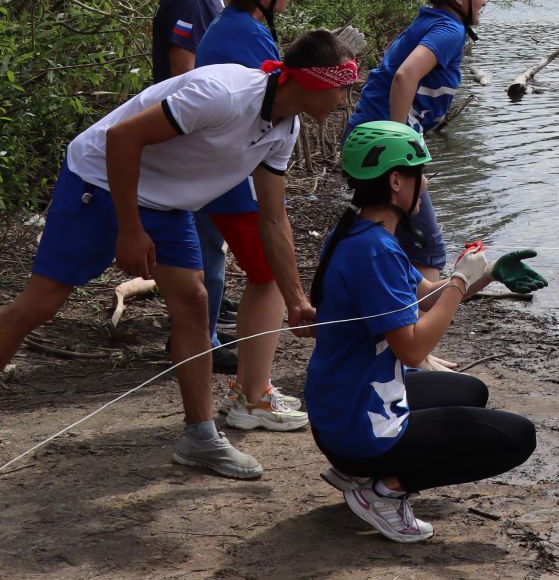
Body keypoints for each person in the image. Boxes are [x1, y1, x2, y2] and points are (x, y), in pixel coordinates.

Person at [0, 31, 353, 479]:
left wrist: (298, 299)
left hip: (165, 203)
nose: (345, 100)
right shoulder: (222, 94)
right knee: (40, 305)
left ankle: (200, 437)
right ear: (309, 82)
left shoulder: (285, 126)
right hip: (99, 180)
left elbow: (273, 218)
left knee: (193, 301)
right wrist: (130, 229)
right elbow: (122, 138)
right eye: (341, 87)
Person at [305, 122, 537, 542]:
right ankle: (383, 492)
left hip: (340, 408)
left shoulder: (360, 232)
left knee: (469, 392)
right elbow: (412, 350)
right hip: (356, 426)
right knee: (516, 437)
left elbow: (428, 298)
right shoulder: (375, 251)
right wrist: (461, 282)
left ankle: (358, 474)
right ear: (396, 180)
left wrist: (486, 275)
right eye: (420, 172)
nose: (425, 182)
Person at [194, 0, 309, 430]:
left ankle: (250, 388)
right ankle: (253, 398)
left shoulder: (238, 24)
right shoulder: (243, 31)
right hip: (232, 181)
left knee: (259, 278)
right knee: (268, 280)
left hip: (222, 174)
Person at [345, 0, 487, 278]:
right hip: (380, 148)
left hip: (366, 139)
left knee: (384, 235)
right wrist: (400, 152)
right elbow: (404, 77)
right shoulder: (449, 29)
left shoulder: (431, 22)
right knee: (428, 248)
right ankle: (414, 325)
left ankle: (379, 315)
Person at [151, 0, 248, 366]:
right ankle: (199, 340)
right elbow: (183, 70)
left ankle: (206, 321)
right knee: (204, 236)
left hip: (199, 135)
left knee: (209, 236)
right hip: (193, 136)